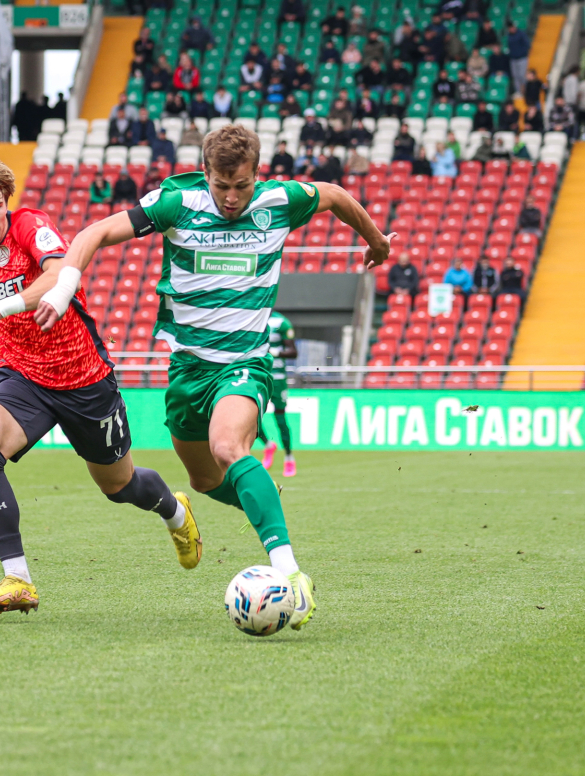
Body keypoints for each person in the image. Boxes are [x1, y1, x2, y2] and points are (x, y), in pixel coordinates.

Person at [36, 124, 397, 630]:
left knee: (228, 447)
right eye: (221, 185)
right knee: (204, 480)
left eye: (242, 185)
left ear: (257, 175)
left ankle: (291, 573)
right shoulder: (176, 203)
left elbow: (335, 195)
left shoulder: (279, 202)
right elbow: (92, 234)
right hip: (188, 368)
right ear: (205, 173)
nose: (231, 197)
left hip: (245, 362)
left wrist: (377, 241)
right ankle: (259, 495)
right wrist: (61, 289)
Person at [0, 152, 202, 615]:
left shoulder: (31, 226)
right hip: (22, 375)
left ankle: (174, 510)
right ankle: (18, 579)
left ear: (7, 203)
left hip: (83, 378)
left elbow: (56, 274)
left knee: (120, 487)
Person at [258, 311, 298, 477]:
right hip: (258, 377)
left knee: (280, 419)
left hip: (278, 379)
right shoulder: (249, 316)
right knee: (251, 418)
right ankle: (268, 445)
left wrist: (274, 353)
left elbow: (293, 352)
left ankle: (289, 458)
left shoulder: (281, 322)